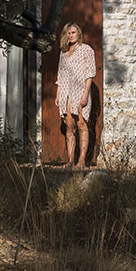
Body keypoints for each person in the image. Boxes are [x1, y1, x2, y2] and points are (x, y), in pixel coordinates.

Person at [56, 22, 96, 168]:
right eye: (68, 33)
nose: (71, 35)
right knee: (69, 127)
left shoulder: (86, 50)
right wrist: (58, 94)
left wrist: (86, 93)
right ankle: (70, 160)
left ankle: (81, 161)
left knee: (81, 125)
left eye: (73, 32)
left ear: (78, 33)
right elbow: (60, 75)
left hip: (80, 91)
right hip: (65, 92)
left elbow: (90, 73)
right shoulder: (63, 53)